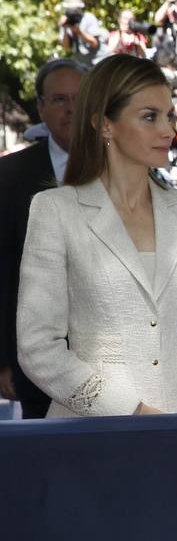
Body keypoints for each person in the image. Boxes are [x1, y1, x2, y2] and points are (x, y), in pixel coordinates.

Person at [16, 54, 177, 416]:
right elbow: (37, 346)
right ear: (104, 125)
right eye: (149, 116)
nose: (168, 130)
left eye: (170, 115)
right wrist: (131, 410)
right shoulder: (55, 210)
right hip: (94, 437)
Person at [0, 60, 85, 418]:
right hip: (35, 363)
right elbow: (3, 270)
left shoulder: (124, 168)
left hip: (115, 363)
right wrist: (4, 358)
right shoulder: (9, 176)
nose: (70, 109)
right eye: (59, 99)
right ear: (41, 107)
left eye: (79, 98)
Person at [58, 0, 108, 68]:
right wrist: (65, 28)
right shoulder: (66, 21)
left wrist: (80, 33)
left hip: (98, 61)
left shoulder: (89, 18)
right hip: (82, 63)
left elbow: (94, 43)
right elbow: (67, 47)